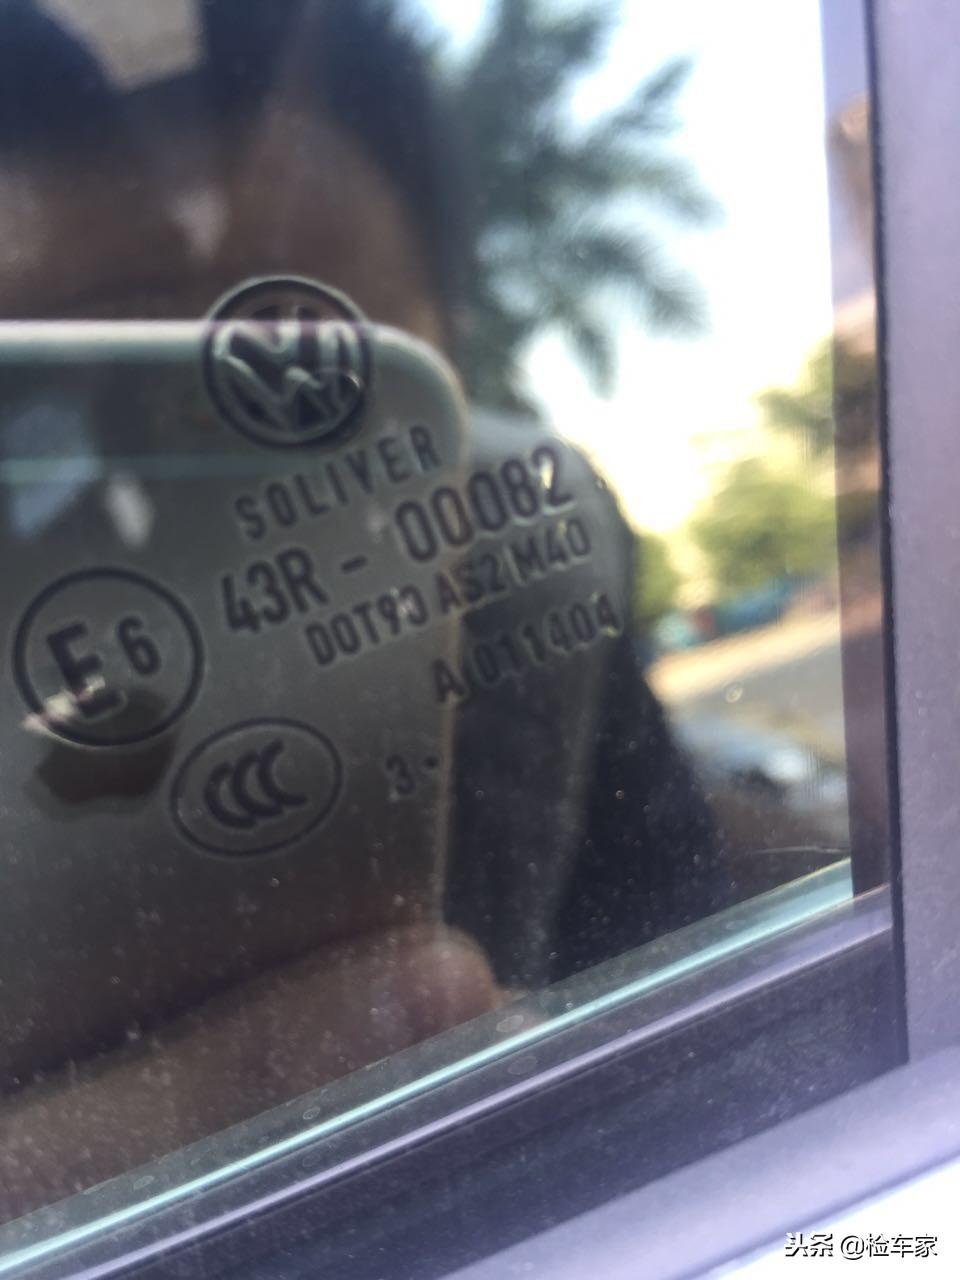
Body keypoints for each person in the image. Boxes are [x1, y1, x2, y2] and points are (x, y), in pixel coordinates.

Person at [0, 0, 724, 1219]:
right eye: (62, 398)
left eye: (315, 394)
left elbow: (686, 927)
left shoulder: (531, 580)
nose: (207, 500)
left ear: (452, 371)